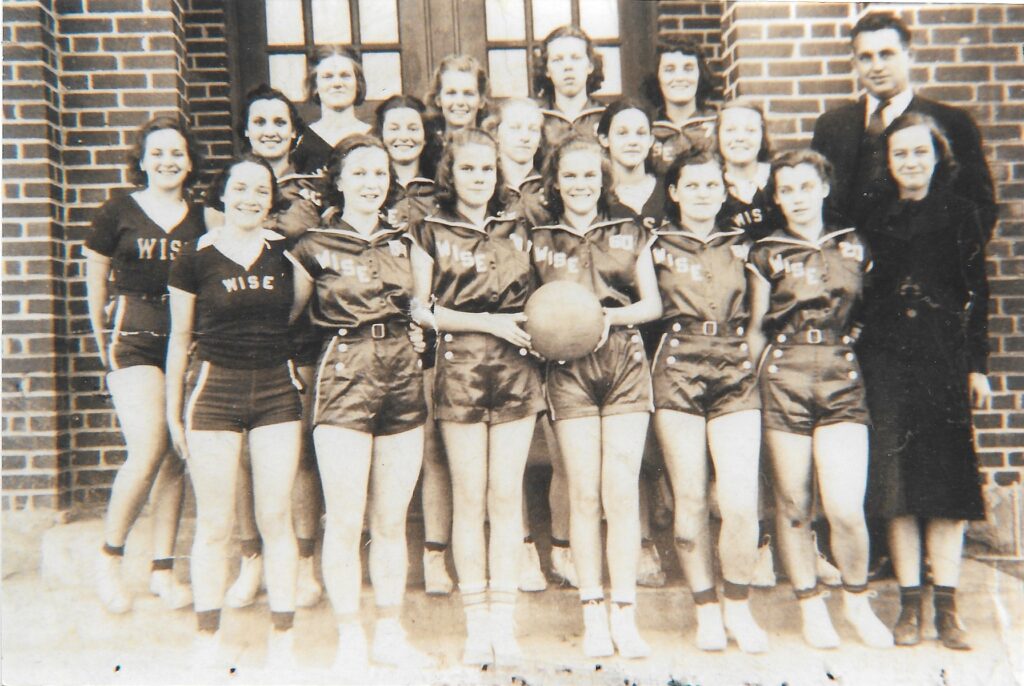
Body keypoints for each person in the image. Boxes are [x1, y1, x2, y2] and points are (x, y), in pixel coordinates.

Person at [289, 135, 434, 670]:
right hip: (344, 371)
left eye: (380, 174)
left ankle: (390, 630)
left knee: (391, 519)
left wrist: (420, 341)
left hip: (400, 371)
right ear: (340, 179)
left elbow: (421, 311)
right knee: (346, 518)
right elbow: (294, 321)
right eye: (360, 173)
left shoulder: (407, 242)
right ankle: (351, 632)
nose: (372, 183)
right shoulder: (311, 245)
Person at [745, 149, 892, 650]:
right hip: (784, 376)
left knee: (846, 507)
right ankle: (810, 606)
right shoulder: (766, 252)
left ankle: (856, 599)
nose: (796, 199)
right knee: (793, 503)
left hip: (839, 376)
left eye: (805, 187)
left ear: (824, 188)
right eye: (785, 190)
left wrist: (849, 343)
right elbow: (755, 328)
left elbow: (874, 310)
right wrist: (751, 384)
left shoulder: (853, 244)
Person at [409, 128, 545, 666]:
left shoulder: (521, 225)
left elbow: (545, 293)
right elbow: (421, 309)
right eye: (467, 169)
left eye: (487, 169)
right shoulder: (429, 227)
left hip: (517, 366)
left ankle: (504, 620)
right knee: (469, 495)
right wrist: (489, 322)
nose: (478, 178)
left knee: (505, 495)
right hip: (461, 363)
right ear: (450, 172)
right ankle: (475, 620)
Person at [858, 113, 990, 650]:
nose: (910, 162)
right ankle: (909, 604)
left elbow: (978, 293)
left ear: (937, 156)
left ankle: (948, 608)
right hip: (887, 361)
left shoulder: (962, 215)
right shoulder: (873, 217)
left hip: (941, 359)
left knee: (946, 487)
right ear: (888, 164)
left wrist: (976, 366)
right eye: (899, 154)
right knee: (899, 487)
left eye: (919, 152)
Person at [166, 154, 302, 666]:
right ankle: (208, 641)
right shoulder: (194, 258)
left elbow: (294, 314)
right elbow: (180, 339)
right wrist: (172, 413)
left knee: (275, 515)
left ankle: (283, 640)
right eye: (240, 188)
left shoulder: (286, 256)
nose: (250, 198)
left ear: (271, 200)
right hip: (214, 392)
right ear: (222, 194)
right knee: (215, 523)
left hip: (275, 393)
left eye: (261, 191)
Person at [532, 134, 662, 658]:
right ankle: (592, 613)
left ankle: (624, 612)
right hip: (567, 367)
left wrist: (604, 318)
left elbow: (651, 304)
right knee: (583, 492)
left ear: (602, 179)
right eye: (570, 175)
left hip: (623, 360)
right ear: (556, 181)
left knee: (620, 491)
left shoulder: (629, 228)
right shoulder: (538, 235)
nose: (581, 184)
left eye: (590, 174)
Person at [208, 85, 324, 611]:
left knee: (295, 455)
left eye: (280, 121)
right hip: (237, 343)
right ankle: (250, 558)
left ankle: (301, 561)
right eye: (260, 122)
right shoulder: (232, 190)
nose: (271, 129)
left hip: (294, 338)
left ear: (294, 131)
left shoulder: (314, 192)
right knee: (240, 461)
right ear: (247, 130)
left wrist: (283, 322)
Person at [85, 117, 203, 614]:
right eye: (157, 153)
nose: (168, 161)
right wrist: (99, 339)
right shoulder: (118, 211)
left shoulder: (204, 219)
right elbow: (96, 280)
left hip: (184, 340)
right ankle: (109, 558)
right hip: (133, 337)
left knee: (176, 452)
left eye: (177, 153)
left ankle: (162, 569)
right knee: (150, 445)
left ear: (190, 161)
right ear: (142, 159)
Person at [651, 148, 767, 653]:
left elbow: (761, 320)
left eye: (711, 185)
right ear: (674, 192)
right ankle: (705, 608)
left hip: (734, 367)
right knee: (691, 499)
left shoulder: (745, 245)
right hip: (676, 367)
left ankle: (738, 605)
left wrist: (746, 358)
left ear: (724, 191)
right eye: (691, 185)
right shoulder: (653, 244)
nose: (702, 194)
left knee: (740, 503)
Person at [811, 12, 996, 237]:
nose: (877, 67)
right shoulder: (831, 126)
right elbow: (817, 202)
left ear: (909, 56)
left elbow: (980, 206)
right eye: (866, 57)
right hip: (851, 263)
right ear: (854, 63)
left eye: (886, 54)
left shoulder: (952, 122)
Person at [373, 95, 455, 597]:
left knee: (432, 452)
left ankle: (435, 556)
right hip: (378, 336)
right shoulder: (366, 190)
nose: (404, 135)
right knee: (381, 448)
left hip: (429, 331)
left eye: (412, 127)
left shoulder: (441, 197)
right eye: (393, 128)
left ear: (425, 135)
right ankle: (384, 551)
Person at [484, 96, 566, 593]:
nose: (524, 135)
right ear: (496, 132)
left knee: (560, 445)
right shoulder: (481, 187)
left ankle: (562, 546)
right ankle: (517, 548)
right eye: (514, 127)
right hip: (504, 326)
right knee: (508, 453)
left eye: (532, 128)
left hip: (553, 320)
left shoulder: (549, 192)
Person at [597, 99, 670, 587]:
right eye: (620, 131)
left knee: (665, 439)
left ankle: (671, 525)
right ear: (604, 138)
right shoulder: (596, 197)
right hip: (616, 326)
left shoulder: (672, 191)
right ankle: (642, 543)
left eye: (640, 131)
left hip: (669, 322)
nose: (631, 139)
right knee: (630, 449)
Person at [642, 37, 719, 176]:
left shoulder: (718, 125)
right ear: (657, 76)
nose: (679, 77)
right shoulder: (646, 129)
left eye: (688, 69)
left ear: (700, 74)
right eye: (669, 70)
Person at [292, 45, 371, 178]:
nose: (337, 83)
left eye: (345, 76)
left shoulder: (372, 136)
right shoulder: (301, 140)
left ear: (358, 84)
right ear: (315, 86)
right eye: (328, 77)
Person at [533, 25, 606, 149]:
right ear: (546, 70)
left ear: (590, 65)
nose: (567, 66)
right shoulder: (536, 116)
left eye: (576, 58)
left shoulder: (606, 115)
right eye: (558, 59)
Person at [716, 100, 778, 241]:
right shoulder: (710, 186)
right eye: (730, 130)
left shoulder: (779, 179)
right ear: (718, 135)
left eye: (750, 130)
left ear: (762, 136)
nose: (740, 138)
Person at [425, 54, 489, 143]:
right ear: (438, 100)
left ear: (481, 101)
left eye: (468, 94)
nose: (460, 101)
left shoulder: (491, 150)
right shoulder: (428, 151)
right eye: (451, 93)